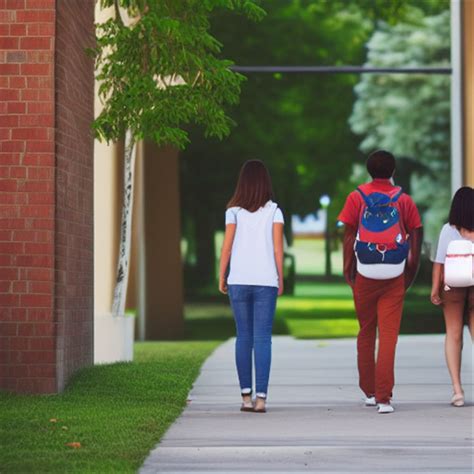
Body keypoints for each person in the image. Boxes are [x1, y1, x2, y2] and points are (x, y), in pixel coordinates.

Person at [338, 150, 423, 414]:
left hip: (365, 273)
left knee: (366, 332)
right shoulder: (403, 199)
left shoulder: (356, 197)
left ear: (369, 170)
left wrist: (348, 270)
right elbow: (416, 235)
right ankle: (385, 398)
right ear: (393, 171)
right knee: (388, 336)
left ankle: (370, 392)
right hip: (394, 275)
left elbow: (349, 235)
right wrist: (410, 271)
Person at [218, 160, 284, 413]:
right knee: (262, 338)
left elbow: (227, 246)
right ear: (265, 182)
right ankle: (261, 400)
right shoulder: (275, 211)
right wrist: (280, 278)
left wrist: (222, 274)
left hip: (238, 280)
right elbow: (278, 249)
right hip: (266, 281)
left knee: (243, 336)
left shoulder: (233, 212)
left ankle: (245, 397)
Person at [431, 186, 474, 407]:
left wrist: (434, 289)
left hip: (452, 285)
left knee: (453, 334)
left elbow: (439, 262)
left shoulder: (448, 230)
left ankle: (457, 391)